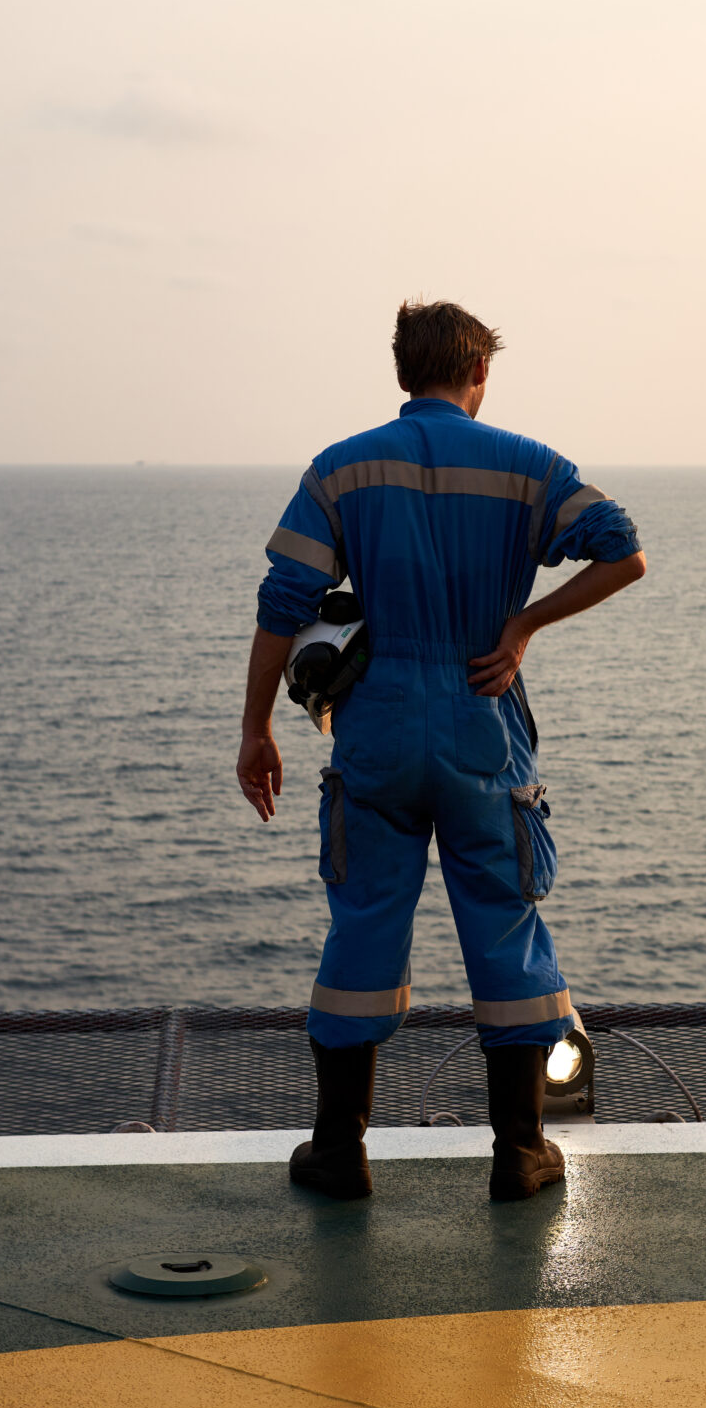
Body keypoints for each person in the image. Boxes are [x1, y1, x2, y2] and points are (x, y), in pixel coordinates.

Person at [236, 300, 646, 1202]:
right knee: (505, 927)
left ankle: (339, 1154)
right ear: (480, 376)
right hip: (481, 725)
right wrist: (527, 622)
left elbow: (283, 600)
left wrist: (257, 728)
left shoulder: (342, 469)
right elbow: (624, 554)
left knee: (364, 926)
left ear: (399, 374)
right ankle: (521, 1153)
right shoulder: (529, 467)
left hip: (377, 734)